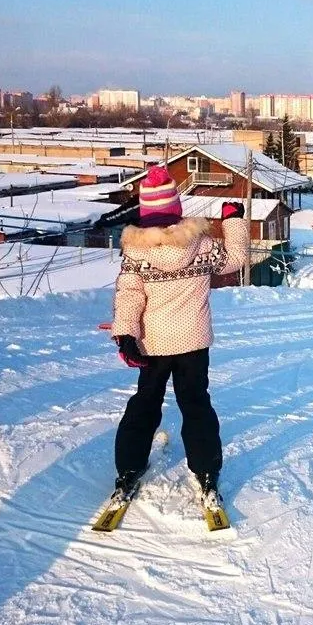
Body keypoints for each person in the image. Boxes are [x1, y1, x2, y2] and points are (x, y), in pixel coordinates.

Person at [110, 166, 249, 508]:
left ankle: (129, 468)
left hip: (153, 344)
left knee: (145, 403)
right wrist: (233, 219)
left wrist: (126, 334)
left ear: (145, 214)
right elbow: (237, 259)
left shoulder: (137, 252)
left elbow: (130, 294)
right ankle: (205, 471)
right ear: (176, 209)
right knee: (196, 404)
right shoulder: (201, 245)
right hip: (193, 342)